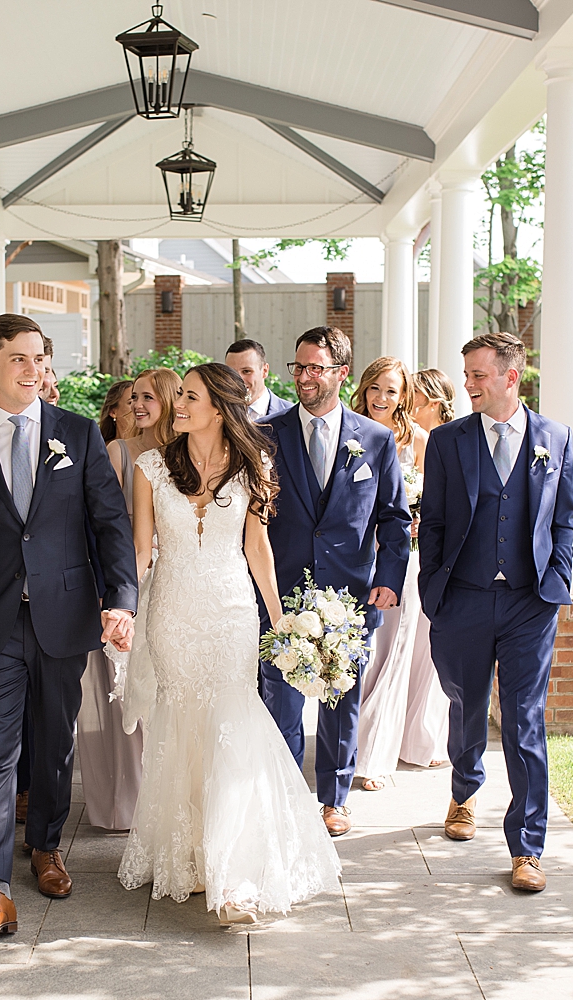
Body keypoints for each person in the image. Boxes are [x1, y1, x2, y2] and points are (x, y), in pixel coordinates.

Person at [0, 313, 137, 935]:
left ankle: (46, 846)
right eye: (19, 358)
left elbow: (109, 524)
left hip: (63, 616)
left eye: (40, 357)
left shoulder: (76, 433)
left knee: (53, 743)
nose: (34, 368)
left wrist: (121, 598)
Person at [118, 363, 341, 925]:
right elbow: (141, 551)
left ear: (218, 407)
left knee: (232, 726)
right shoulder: (149, 467)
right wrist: (124, 612)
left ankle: (235, 875)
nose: (180, 405)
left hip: (231, 613)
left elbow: (258, 549)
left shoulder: (253, 465)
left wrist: (280, 618)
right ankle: (191, 855)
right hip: (171, 611)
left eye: (190, 397)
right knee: (181, 727)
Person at [418, 332, 573, 894]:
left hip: (530, 604)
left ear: (511, 378)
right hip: (461, 598)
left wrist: (555, 576)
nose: (468, 384)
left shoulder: (555, 438)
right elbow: (432, 522)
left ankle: (528, 847)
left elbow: (565, 520)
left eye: (478, 375)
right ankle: (465, 787)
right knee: (466, 702)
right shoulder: (447, 442)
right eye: (467, 374)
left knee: (524, 718)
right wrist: (431, 588)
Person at [257, 327, 410, 837]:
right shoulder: (266, 434)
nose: (303, 377)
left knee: (341, 697)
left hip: (350, 594)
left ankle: (334, 798)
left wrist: (390, 578)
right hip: (282, 591)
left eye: (315, 368)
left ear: (342, 373)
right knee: (280, 694)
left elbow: (393, 517)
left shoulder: (376, 439)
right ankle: (282, 792)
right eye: (297, 367)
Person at [352, 358, 451, 791]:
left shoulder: (422, 441)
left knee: (394, 652)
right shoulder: (348, 430)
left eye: (390, 391)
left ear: (404, 396)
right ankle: (354, 744)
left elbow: (437, 503)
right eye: (374, 387)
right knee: (364, 655)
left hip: (402, 559)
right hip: (357, 557)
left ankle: (374, 756)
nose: (381, 397)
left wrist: (416, 518)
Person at [77, 378, 145, 831]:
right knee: (110, 693)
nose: (138, 406)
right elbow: (103, 525)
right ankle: (115, 802)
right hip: (121, 584)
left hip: (171, 584)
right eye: (131, 399)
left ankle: (153, 800)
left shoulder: (185, 456)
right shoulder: (114, 451)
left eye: (148, 398)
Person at [107, 368, 180, 476]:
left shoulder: (188, 451)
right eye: (134, 397)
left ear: (168, 401)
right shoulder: (118, 451)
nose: (136, 405)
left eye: (147, 397)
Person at [225, 338, 294, 420]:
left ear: (265, 371)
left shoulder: (291, 414)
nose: (238, 379)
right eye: (232, 372)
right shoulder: (217, 413)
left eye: (246, 371)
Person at [98, 380, 135, 444]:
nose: (138, 406)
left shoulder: (152, 446)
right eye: (130, 402)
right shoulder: (101, 449)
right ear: (113, 412)